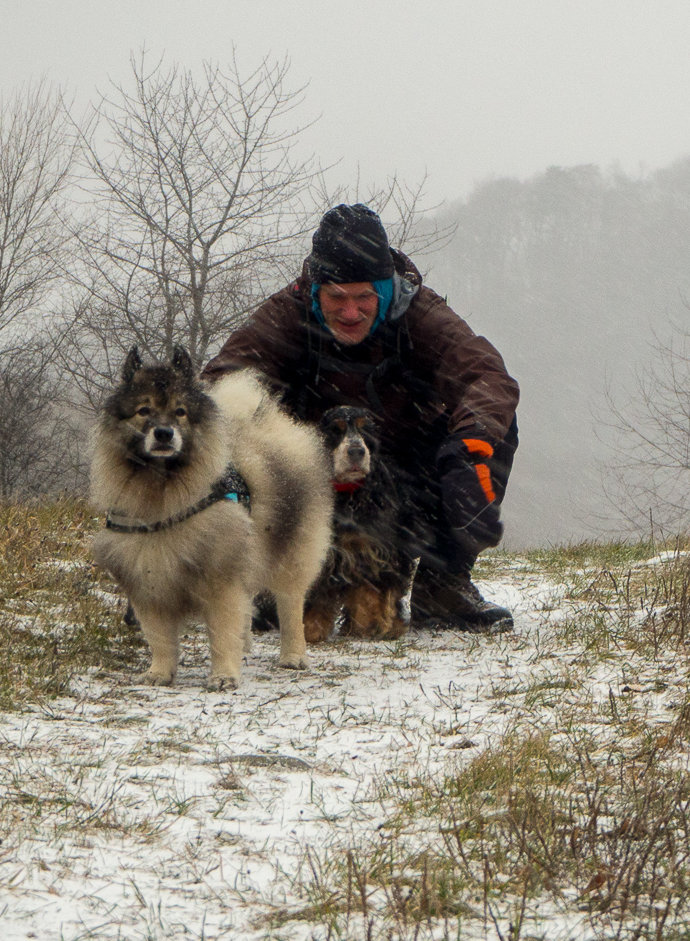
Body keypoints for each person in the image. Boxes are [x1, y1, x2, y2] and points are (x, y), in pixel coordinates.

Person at [202, 203, 519, 631]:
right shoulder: (287, 315)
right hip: (310, 469)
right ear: (315, 290)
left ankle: (444, 585)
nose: (350, 312)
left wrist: (469, 452)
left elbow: (486, 375)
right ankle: (273, 583)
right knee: (238, 427)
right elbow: (223, 381)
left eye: (363, 297)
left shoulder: (419, 315)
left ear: (385, 290)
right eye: (336, 296)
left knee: (491, 428)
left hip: (407, 468)